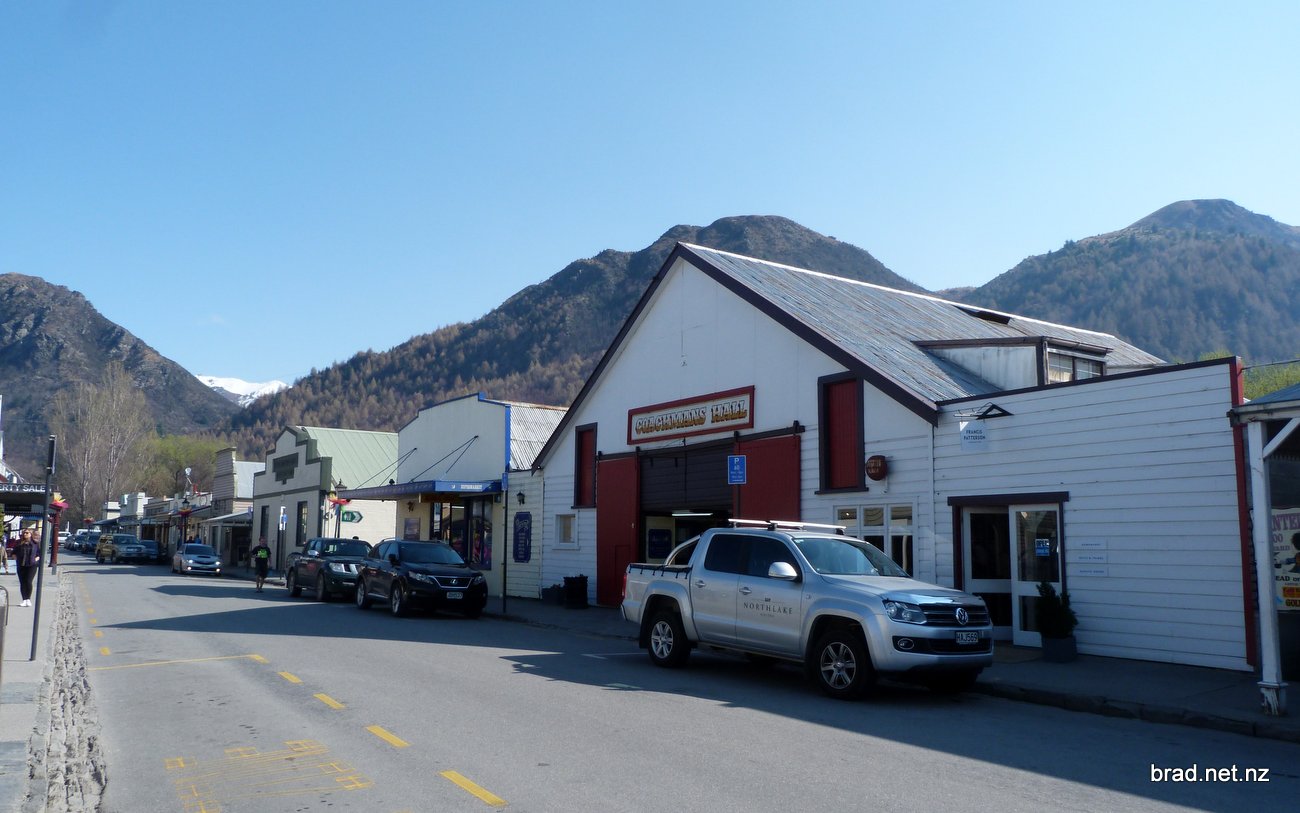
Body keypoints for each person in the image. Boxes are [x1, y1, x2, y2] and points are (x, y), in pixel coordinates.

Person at [14, 527, 41, 606]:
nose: (25, 534)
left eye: (27, 533)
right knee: (22, 582)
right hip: (21, 565)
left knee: (28, 581)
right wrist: (16, 558)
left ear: (30, 534)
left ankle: (28, 599)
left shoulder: (35, 543)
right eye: (24, 533)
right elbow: (14, 552)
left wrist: (35, 559)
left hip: (31, 565)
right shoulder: (19, 543)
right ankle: (24, 599)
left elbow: (39, 554)